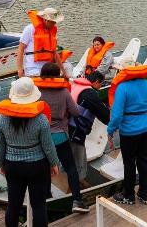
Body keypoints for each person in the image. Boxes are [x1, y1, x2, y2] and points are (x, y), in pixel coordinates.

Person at [0, 77, 60, 227]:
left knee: (13, 205)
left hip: (12, 165)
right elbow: (48, 146)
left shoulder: (2, 119)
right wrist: (54, 163)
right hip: (37, 166)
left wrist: (1, 163)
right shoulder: (41, 119)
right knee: (39, 206)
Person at [34, 63, 88, 213]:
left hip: (41, 135)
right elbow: (76, 112)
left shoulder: (37, 91)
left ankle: (47, 197)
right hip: (60, 136)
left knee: (45, 168)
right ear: (57, 75)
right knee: (70, 167)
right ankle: (77, 200)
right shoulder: (64, 92)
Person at [107, 63, 147, 206]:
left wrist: (110, 130)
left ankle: (128, 195)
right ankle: (145, 194)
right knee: (143, 160)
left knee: (129, 163)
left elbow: (117, 115)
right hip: (144, 129)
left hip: (128, 132)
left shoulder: (122, 88)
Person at [68, 71, 110, 184]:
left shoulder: (76, 85)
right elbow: (104, 115)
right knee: (77, 161)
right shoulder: (89, 94)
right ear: (96, 82)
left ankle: (76, 182)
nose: (101, 87)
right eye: (101, 84)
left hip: (66, 127)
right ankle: (75, 188)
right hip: (76, 131)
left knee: (73, 157)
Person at [17, 6, 71, 78]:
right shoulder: (30, 29)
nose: (54, 24)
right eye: (52, 22)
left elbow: (54, 53)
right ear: (46, 20)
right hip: (33, 70)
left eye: (55, 22)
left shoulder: (52, 31)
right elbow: (20, 49)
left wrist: (63, 71)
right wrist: (20, 70)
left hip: (48, 70)